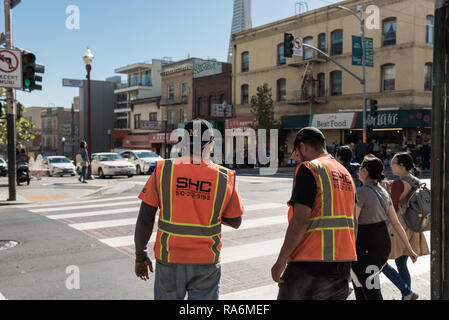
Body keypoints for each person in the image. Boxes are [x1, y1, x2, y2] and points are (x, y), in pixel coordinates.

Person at [134, 119, 244, 300]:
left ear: (182, 144)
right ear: (211, 144)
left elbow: (146, 218)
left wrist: (140, 255)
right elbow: (236, 220)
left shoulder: (163, 170)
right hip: (206, 261)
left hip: (170, 257)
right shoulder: (224, 177)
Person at [271, 127, 357, 300]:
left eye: (297, 153)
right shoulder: (345, 173)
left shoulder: (310, 168)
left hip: (309, 260)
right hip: (342, 262)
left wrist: (281, 260)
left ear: (303, 147)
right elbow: (354, 221)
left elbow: (301, 220)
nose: (297, 159)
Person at [351, 154, 418, 300]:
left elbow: (354, 221)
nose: (359, 169)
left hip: (366, 244)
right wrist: (410, 249)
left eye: (361, 167)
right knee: (365, 285)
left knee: (368, 289)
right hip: (381, 243)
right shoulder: (383, 191)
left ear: (366, 171)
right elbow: (396, 223)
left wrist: (350, 248)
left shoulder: (362, 192)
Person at [382, 152, 430, 300]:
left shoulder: (399, 183)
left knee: (380, 261)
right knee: (401, 263)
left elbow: (392, 207)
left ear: (402, 166)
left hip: (399, 227)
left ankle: (406, 292)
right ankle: (406, 295)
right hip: (413, 226)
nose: (391, 165)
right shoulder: (414, 180)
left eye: (393, 163)